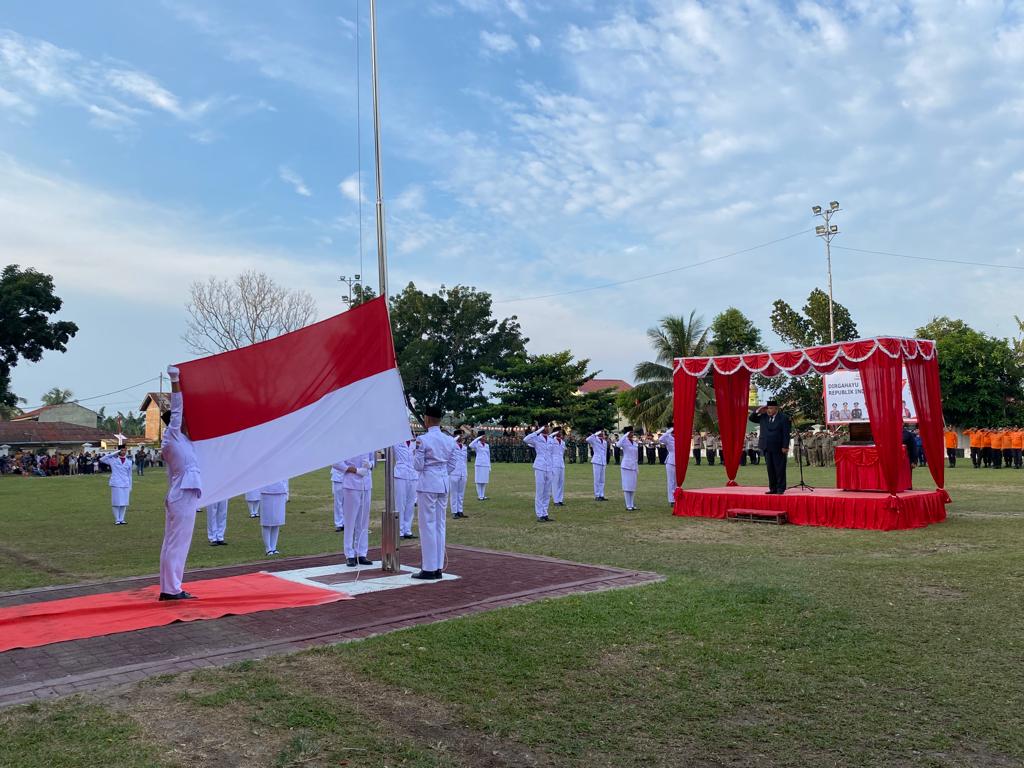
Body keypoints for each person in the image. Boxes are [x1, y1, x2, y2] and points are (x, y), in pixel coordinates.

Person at [157, 364, 202, 601]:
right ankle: (171, 589)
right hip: (182, 494)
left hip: (181, 493)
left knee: (174, 543)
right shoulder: (172, 436)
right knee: (177, 544)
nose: (185, 420)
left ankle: (170, 587)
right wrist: (175, 380)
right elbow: (176, 410)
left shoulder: (183, 440)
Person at [412, 405, 457, 579]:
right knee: (440, 524)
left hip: (428, 483)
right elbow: (452, 464)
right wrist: (442, 473)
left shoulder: (423, 440)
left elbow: (418, 465)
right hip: (443, 482)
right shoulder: (449, 440)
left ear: (427, 419)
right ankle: (437, 566)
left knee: (427, 525)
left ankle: (429, 567)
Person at [338, 452, 375, 566]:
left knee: (363, 521)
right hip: (351, 484)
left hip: (366, 484)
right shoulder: (347, 442)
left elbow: (373, 460)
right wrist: (355, 470)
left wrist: (370, 465)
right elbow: (336, 463)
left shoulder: (369, 442)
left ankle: (362, 553)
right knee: (350, 522)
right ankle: (349, 554)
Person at [749, 400, 792, 495]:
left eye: (771, 408)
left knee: (779, 468)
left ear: (776, 409)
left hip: (778, 447)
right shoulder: (763, 417)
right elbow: (751, 418)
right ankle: (772, 488)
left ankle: (780, 488)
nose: (769, 410)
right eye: (768, 408)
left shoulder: (783, 418)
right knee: (770, 469)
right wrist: (758, 410)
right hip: (766, 446)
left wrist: (785, 446)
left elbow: (786, 434)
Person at [524, 422, 555, 522]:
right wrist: (537, 431)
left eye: (548, 427)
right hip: (540, 466)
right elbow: (526, 439)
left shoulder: (551, 440)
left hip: (549, 467)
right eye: (545, 426)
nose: (548, 428)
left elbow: (552, 454)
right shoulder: (536, 439)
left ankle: (545, 513)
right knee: (540, 491)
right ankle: (539, 514)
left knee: (547, 492)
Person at [99, 445, 133, 525]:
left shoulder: (129, 461)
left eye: (125, 450)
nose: (123, 452)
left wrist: (130, 485)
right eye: (122, 450)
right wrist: (114, 453)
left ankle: (122, 519)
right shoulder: (113, 460)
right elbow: (102, 459)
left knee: (124, 502)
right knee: (116, 502)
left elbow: (130, 475)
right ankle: (117, 519)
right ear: (118, 451)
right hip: (116, 483)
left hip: (125, 483)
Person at [393, 439, 418, 539]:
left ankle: (407, 530)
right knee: (400, 503)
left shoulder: (415, 443)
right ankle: (399, 531)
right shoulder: (396, 442)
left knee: (410, 504)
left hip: (413, 474)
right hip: (400, 474)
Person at [259, 478, 289, 556]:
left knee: (277, 521)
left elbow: (285, 478)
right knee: (267, 522)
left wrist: (287, 492)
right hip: (266, 492)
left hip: (280, 492)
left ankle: (273, 547)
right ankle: (268, 548)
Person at [617, 428, 639, 511]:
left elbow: (636, 456)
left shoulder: (635, 443)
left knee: (633, 486)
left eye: (632, 432)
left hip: (633, 466)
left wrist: (637, 467)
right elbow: (618, 445)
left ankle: (632, 504)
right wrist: (625, 435)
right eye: (630, 432)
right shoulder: (624, 441)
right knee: (627, 486)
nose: (632, 434)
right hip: (626, 466)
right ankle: (628, 505)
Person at [448, 433, 468, 519]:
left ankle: (460, 510)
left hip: (463, 472)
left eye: (462, 436)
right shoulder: (452, 445)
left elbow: (465, 460)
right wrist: (456, 438)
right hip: (454, 472)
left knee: (461, 493)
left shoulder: (464, 447)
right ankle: (454, 512)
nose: (461, 438)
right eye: (460, 436)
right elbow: (449, 443)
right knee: (454, 493)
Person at [586, 429, 609, 501]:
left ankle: (601, 495)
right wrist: (596, 433)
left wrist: (605, 461)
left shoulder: (605, 442)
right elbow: (587, 439)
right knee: (597, 479)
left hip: (602, 461)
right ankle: (597, 495)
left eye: (603, 433)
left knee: (602, 480)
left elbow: (604, 452)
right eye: (601, 432)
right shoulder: (594, 440)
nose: (602, 434)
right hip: (597, 461)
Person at [468, 432, 491, 500]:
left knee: (484, 480)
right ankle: (479, 496)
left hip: (486, 464)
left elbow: (488, 455)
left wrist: (489, 466)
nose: (485, 438)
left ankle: (483, 495)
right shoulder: (477, 444)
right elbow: (470, 445)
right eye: (483, 436)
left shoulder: (487, 445)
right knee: (478, 481)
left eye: (485, 436)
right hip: (479, 464)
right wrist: (478, 438)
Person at [658, 425, 676, 506]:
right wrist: (668, 431)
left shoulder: (679, 436)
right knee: (671, 481)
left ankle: (677, 498)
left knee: (677, 481)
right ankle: (671, 500)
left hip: (679, 461)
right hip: (671, 461)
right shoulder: (668, 437)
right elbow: (660, 439)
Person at [550, 429, 567, 507]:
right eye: (558, 432)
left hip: (561, 464)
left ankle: (560, 499)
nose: (560, 434)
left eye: (561, 433)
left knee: (561, 482)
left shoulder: (563, 442)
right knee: (555, 482)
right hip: (554, 464)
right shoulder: (551, 441)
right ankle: (556, 500)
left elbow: (562, 453)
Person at [329, 461, 347, 532]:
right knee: (338, 502)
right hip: (338, 476)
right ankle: (339, 524)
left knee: (348, 502)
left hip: (350, 476)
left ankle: (347, 523)